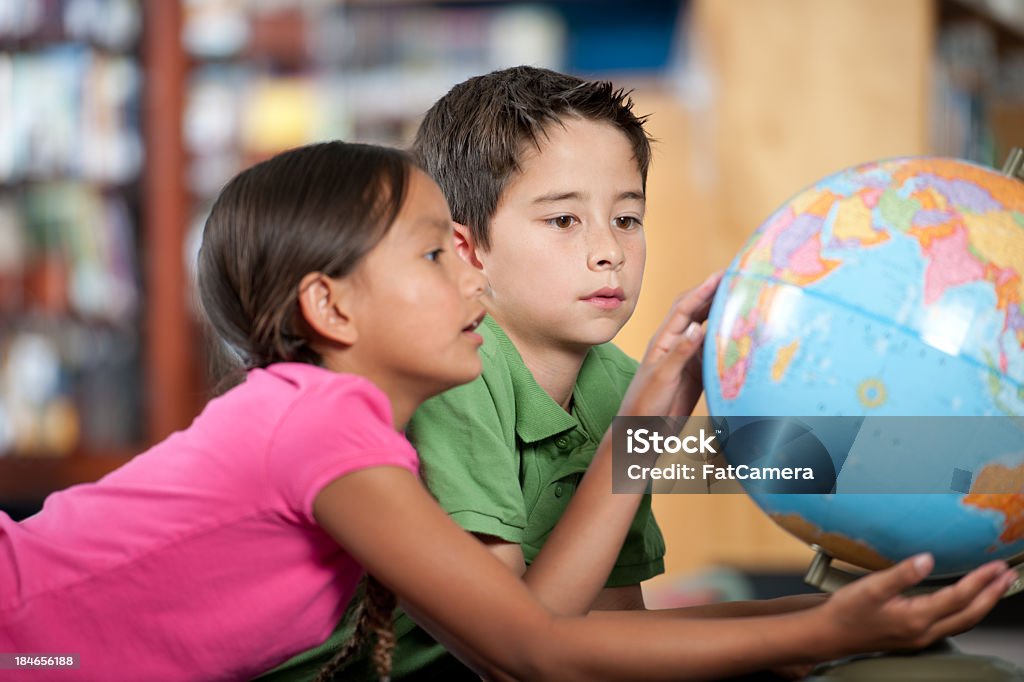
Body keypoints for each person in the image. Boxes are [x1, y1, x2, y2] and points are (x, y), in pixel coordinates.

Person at [0, 141, 1012, 682]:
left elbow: (541, 620)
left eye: (627, 216)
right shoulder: (323, 424)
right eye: (438, 253)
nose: (470, 279)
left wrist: (833, 617)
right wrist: (809, 632)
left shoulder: (356, 428)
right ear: (330, 304)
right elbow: (532, 651)